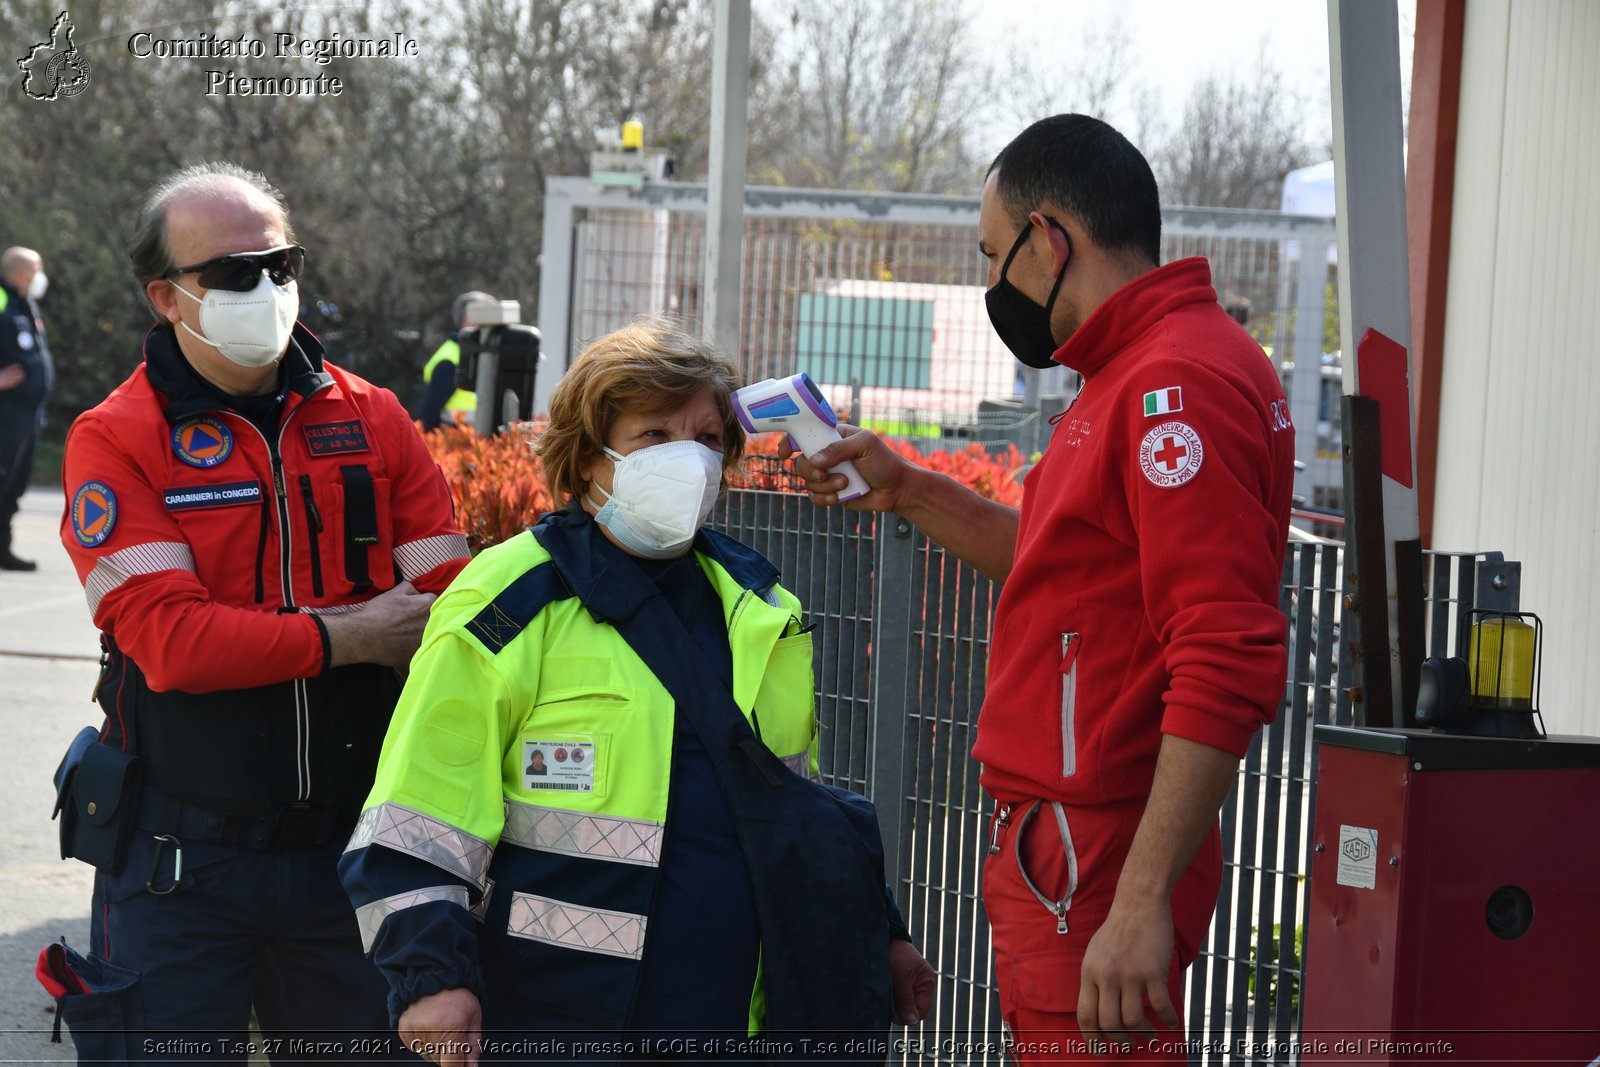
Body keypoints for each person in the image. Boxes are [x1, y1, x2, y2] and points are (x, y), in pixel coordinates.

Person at [795, 115, 1295, 1062]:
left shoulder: (1169, 385)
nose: (994, 284)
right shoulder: (1137, 371)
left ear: (1051, 239)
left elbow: (1226, 647)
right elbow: (1073, 567)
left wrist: (1139, 899)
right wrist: (909, 488)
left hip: (1095, 857)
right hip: (1080, 850)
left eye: (996, 255)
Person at [340, 320, 934, 1064]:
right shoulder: (508, 600)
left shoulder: (758, 604)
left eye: (708, 437)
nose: (688, 458)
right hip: (561, 1017)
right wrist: (431, 978)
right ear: (590, 455)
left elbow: (787, 812)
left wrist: (878, 934)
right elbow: (413, 818)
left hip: (736, 1020)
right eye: (654, 434)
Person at [48, 162, 471, 1060]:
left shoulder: (376, 416)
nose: (269, 288)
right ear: (167, 296)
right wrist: (352, 633)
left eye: (283, 264)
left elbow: (442, 604)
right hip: (179, 866)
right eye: (236, 273)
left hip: (351, 856)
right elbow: (172, 643)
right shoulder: (116, 437)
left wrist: (380, 628)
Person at [0, 246, 53, 571]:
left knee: (13, 486)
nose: (40, 277)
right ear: (21, 274)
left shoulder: (25, 302)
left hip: (27, 414)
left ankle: (2, 549)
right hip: (5, 413)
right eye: (37, 270)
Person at [418, 291, 492, 430]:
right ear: (464, 320)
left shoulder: (479, 354)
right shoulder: (450, 360)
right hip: (456, 441)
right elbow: (430, 413)